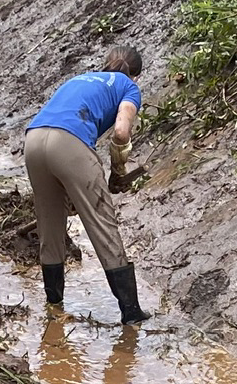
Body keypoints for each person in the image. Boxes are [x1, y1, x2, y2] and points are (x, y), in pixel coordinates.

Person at [24, 47, 149, 324]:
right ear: (136, 76)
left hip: (33, 140)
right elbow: (121, 131)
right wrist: (118, 170)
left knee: (49, 224)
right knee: (102, 224)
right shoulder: (128, 87)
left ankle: (54, 304)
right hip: (69, 142)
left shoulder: (81, 78)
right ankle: (131, 312)